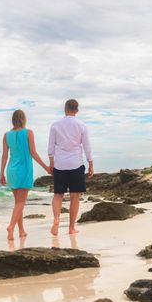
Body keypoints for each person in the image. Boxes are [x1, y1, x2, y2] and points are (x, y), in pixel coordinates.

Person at [0, 110, 50, 240]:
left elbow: (4, 156)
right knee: (21, 202)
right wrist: (46, 167)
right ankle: (11, 226)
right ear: (24, 119)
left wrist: (1, 173)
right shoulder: (28, 133)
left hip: (11, 170)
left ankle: (21, 231)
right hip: (24, 170)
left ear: (13, 120)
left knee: (18, 203)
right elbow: (33, 153)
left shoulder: (6, 135)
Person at [48, 99, 93, 236]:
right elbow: (87, 147)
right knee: (75, 196)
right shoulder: (81, 125)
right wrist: (90, 163)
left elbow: (51, 147)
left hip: (60, 165)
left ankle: (56, 219)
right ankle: (71, 228)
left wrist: (51, 163)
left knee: (58, 195)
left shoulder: (55, 125)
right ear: (77, 110)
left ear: (65, 109)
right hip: (76, 164)